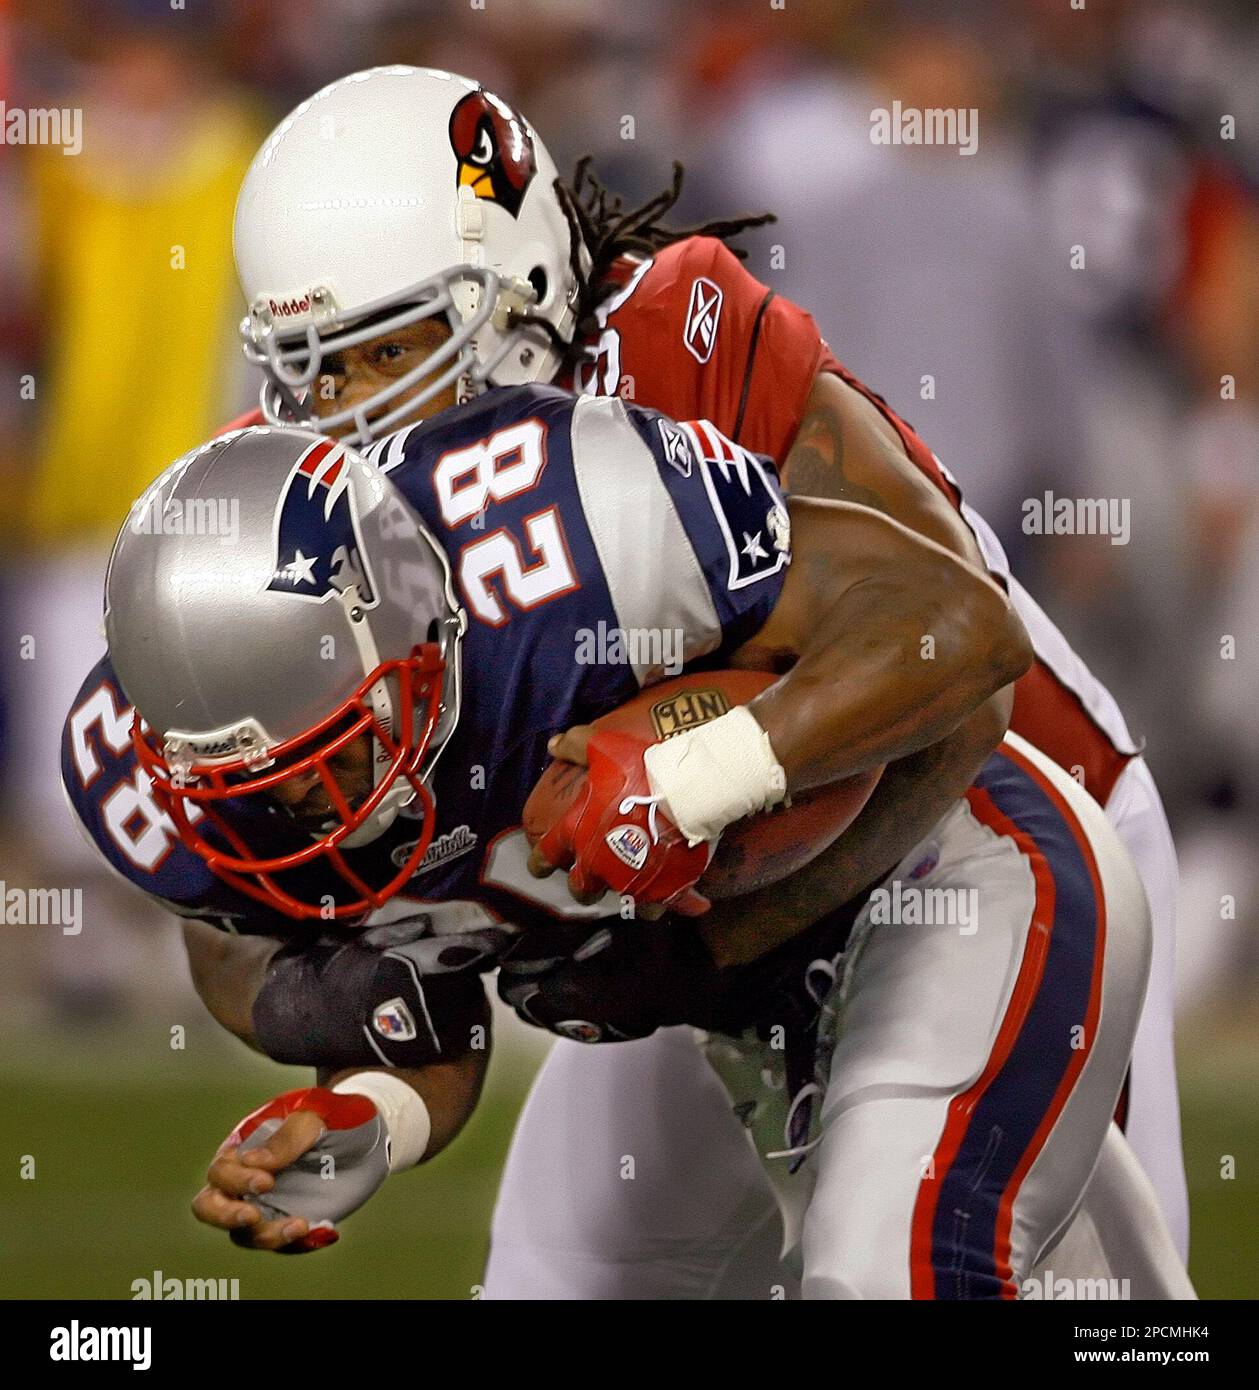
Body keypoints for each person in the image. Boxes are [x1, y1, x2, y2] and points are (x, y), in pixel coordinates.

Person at [219, 65, 1187, 1257]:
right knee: (551, 1275)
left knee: (1036, 1280)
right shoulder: (330, 534)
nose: (354, 413)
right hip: (698, 905)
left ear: (514, 292)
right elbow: (416, 912)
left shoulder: (668, 354)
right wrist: (369, 1098)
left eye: (389, 352)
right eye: (318, 367)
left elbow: (950, 653)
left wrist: (690, 888)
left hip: (985, 823)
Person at [67, 410, 1160, 1300]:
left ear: (402, 631)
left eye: (327, 756)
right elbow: (404, 1000)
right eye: (249, 790)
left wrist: (698, 777)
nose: (305, 811)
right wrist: (364, 1121)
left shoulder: (578, 520)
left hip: (948, 881)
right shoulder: (212, 797)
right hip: (723, 1013)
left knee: (886, 1276)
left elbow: (959, 628)